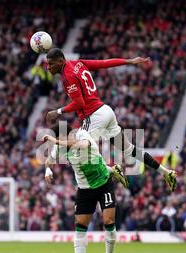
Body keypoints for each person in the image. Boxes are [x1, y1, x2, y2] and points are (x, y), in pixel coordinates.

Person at [44, 48, 177, 192]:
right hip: (106, 111)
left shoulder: (67, 76)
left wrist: (57, 111)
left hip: (93, 116)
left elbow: (80, 103)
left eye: (51, 64)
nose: (48, 67)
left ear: (60, 61)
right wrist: (129, 61)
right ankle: (165, 172)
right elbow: (103, 63)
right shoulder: (78, 64)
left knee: (78, 152)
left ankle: (112, 170)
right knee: (129, 150)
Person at [43, 123, 121, 253]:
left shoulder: (82, 135)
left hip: (103, 183)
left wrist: (56, 141)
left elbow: (82, 145)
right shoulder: (59, 147)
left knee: (109, 221)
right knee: (80, 226)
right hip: (85, 189)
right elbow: (49, 161)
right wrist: (48, 170)